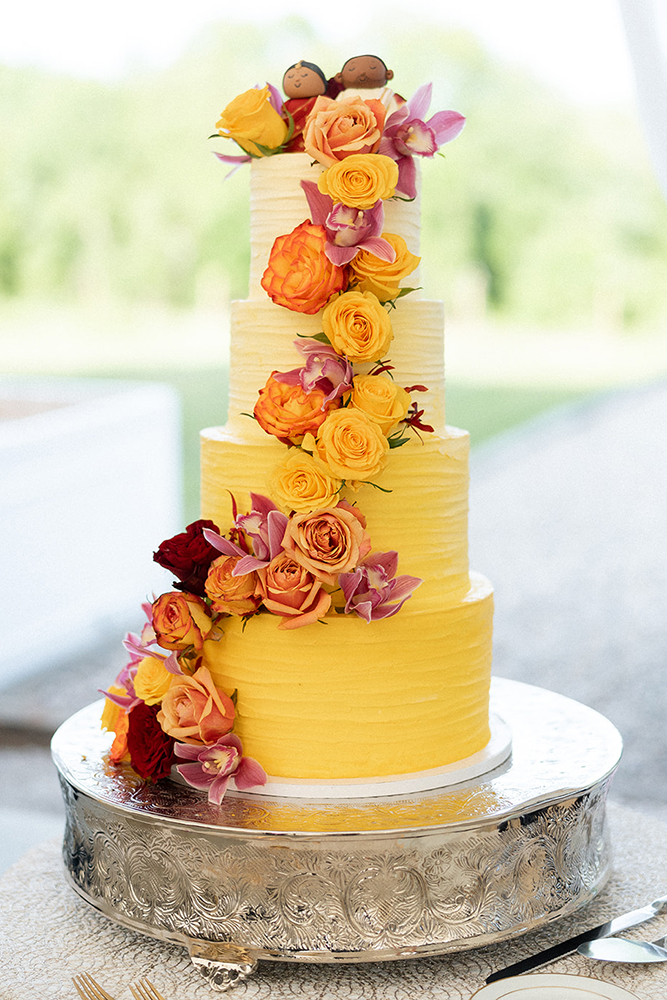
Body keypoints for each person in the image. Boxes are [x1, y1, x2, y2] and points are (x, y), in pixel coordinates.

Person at [333, 54, 404, 114]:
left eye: (372, 67)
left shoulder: (385, 94)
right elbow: (334, 110)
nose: (362, 72)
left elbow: (392, 113)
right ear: (339, 77)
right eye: (352, 69)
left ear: (388, 74)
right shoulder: (344, 94)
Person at [282, 61, 328, 152]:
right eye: (291, 77)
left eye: (304, 76)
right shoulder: (287, 104)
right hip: (290, 142)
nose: (297, 79)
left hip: (314, 138)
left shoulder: (322, 100)